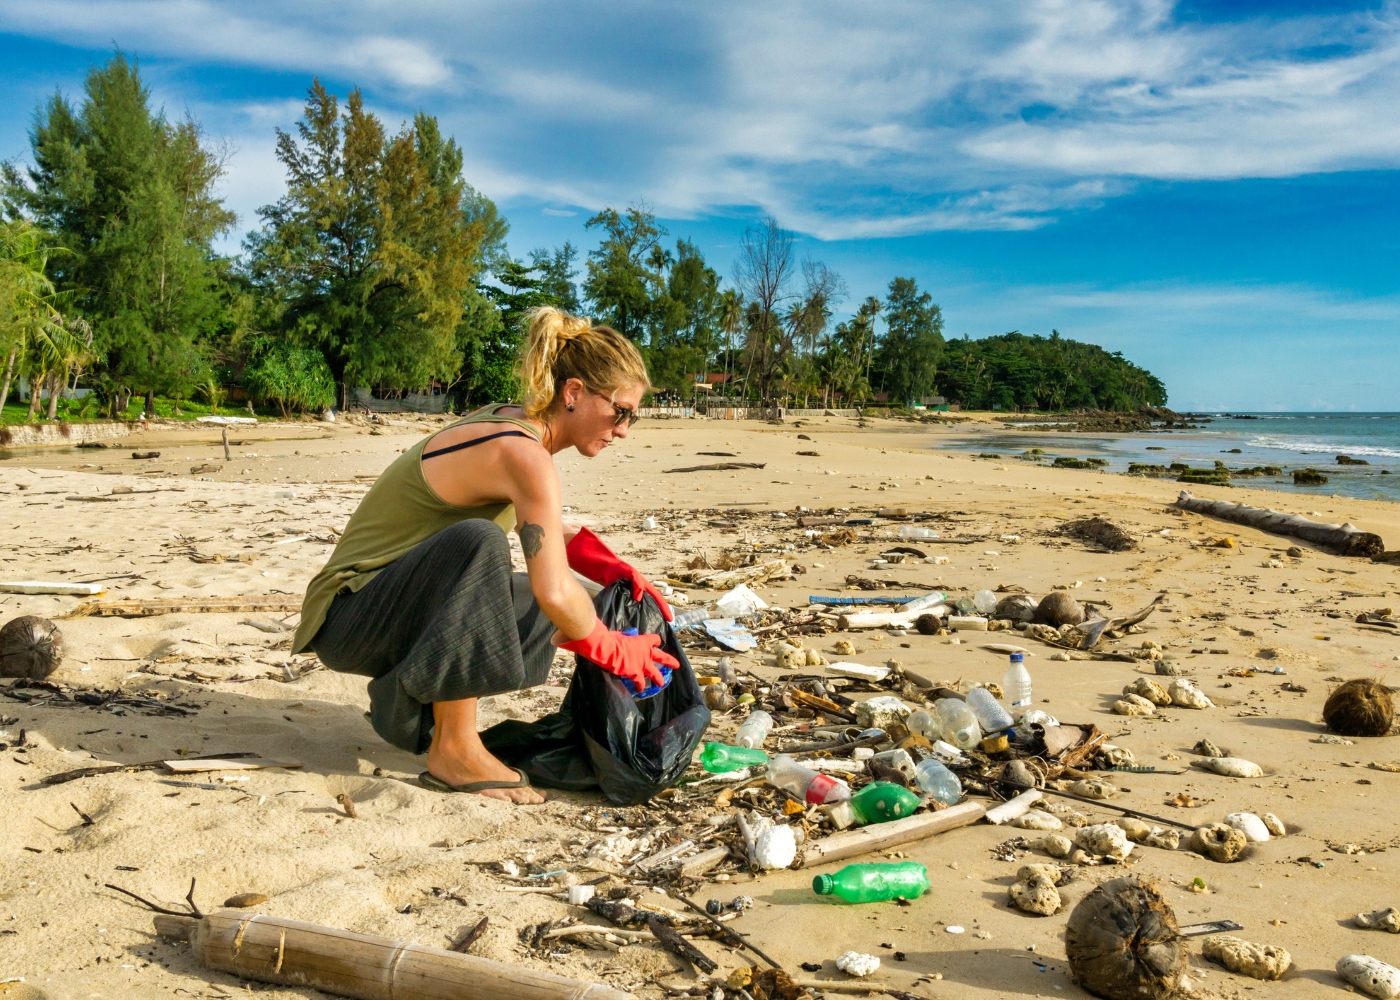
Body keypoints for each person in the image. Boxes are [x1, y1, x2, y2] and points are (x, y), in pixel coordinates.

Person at [291, 307, 679, 803]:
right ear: (575, 392)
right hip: (349, 615)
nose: (623, 429)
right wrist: (612, 649)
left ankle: (414, 702)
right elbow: (549, 583)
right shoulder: (523, 454)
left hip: (391, 605)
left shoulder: (514, 424)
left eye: (633, 417)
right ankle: (453, 746)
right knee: (481, 545)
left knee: (568, 599)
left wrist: (613, 570)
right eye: (620, 411)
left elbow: (543, 532)